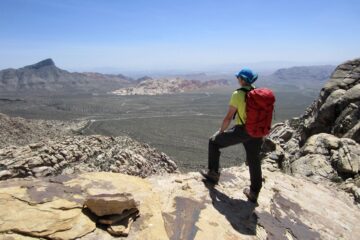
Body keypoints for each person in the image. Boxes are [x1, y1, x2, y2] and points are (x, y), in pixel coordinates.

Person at [201, 68, 264, 203]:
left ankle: (213, 175)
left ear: (242, 80)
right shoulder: (258, 93)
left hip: (243, 130)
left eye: (238, 78)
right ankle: (254, 192)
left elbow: (229, 117)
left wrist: (221, 131)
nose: (237, 80)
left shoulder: (238, 94)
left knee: (213, 142)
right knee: (254, 160)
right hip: (257, 131)